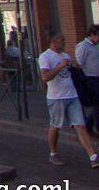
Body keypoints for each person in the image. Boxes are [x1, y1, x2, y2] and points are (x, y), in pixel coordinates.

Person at [39, 32, 99, 167]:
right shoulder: (45, 56)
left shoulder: (65, 55)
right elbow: (45, 77)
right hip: (56, 98)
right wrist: (60, 66)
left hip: (72, 95)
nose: (64, 43)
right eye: (62, 41)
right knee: (56, 126)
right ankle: (53, 153)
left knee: (80, 125)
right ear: (54, 41)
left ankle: (92, 156)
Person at [75, 24, 99, 135]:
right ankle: (95, 126)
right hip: (90, 78)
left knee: (97, 104)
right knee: (97, 103)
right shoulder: (83, 46)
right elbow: (79, 63)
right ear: (92, 35)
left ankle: (88, 125)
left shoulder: (95, 46)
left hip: (96, 77)